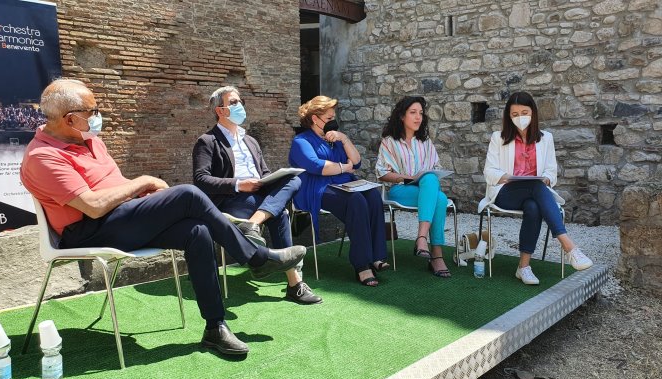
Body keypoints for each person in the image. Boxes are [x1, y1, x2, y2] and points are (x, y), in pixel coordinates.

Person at [20, 78, 308, 356]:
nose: (98, 116)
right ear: (69, 119)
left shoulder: (91, 141)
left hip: (119, 219)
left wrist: (145, 198)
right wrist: (143, 181)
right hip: (87, 229)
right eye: (92, 111)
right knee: (188, 194)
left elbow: (115, 186)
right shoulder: (43, 156)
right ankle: (257, 258)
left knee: (198, 232)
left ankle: (215, 327)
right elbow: (93, 206)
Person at [192, 86, 321, 305]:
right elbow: (200, 179)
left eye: (240, 101)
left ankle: (253, 225)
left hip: (259, 199)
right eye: (233, 103)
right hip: (232, 200)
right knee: (279, 213)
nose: (240, 105)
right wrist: (239, 184)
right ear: (220, 111)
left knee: (295, 179)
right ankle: (294, 284)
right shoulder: (207, 141)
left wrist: (272, 179)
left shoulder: (250, 141)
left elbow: (264, 173)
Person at [480, 91, 593, 285]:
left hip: (534, 194)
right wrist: (506, 177)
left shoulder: (546, 138)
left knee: (533, 206)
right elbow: (489, 171)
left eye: (524, 112)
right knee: (534, 185)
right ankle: (569, 247)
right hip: (505, 193)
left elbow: (551, 172)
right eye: (515, 114)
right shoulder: (498, 138)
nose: (520, 118)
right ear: (509, 116)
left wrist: (546, 180)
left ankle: (523, 267)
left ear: (533, 114)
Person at [289, 96, 388, 287]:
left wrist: (344, 138)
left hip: (343, 185)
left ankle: (376, 256)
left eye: (333, 117)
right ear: (314, 119)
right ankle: (362, 265)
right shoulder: (301, 141)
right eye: (328, 118)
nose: (332, 122)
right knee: (356, 200)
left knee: (373, 196)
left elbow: (357, 162)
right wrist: (344, 167)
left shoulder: (334, 139)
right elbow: (319, 167)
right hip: (317, 188)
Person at [375, 96, 451, 278]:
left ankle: (422, 239)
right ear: (402, 116)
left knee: (436, 190)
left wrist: (423, 178)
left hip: (426, 190)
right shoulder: (389, 141)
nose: (418, 117)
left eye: (421, 114)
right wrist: (410, 177)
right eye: (413, 113)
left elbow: (436, 169)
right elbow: (382, 173)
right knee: (437, 195)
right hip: (400, 190)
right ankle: (435, 254)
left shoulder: (426, 142)